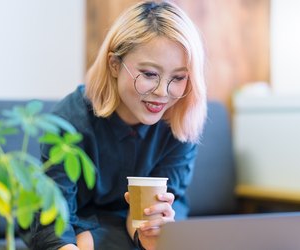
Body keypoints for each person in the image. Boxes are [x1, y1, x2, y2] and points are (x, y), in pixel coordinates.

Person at [27, 1, 207, 249]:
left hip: (135, 228)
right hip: (74, 222)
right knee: (84, 241)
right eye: (149, 74)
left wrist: (150, 232)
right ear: (114, 65)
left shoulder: (180, 120)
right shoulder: (70, 120)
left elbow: (150, 218)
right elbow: (53, 224)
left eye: (178, 78)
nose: (162, 93)